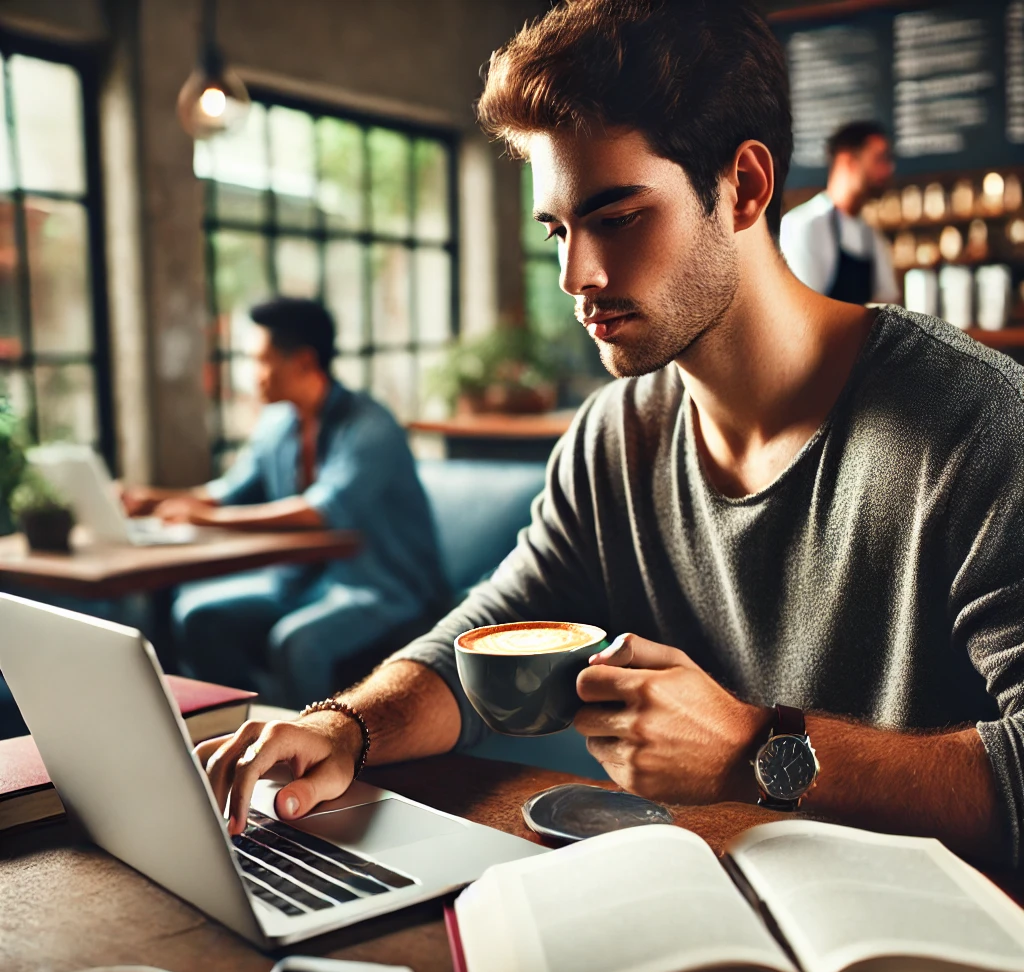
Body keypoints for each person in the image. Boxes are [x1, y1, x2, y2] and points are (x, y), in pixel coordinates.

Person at [199, 0, 1024, 869]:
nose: (574, 275)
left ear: (744, 186)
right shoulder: (614, 436)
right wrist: (346, 729)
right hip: (708, 910)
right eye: (557, 229)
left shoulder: (978, 424)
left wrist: (756, 750)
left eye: (618, 216)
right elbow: (495, 629)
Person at [122, 297, 445, 706]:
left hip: (383, 588)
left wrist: (208, 520)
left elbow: (320, 512)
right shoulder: (277, 423)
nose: (251, 375)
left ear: (304, 362)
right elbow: (227, 494)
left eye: (260, 361)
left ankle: (313, 753)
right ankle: (238, 730)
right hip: (299, 584)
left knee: (297, 641)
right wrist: (154, 501)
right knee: (198, 616)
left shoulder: (371, 426)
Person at [779, 121, 899, 305]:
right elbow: (807, 311)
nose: (888, 169)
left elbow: (889, 303)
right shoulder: (802, 226)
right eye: (879, 159)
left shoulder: (872, 236)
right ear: (848, 161)